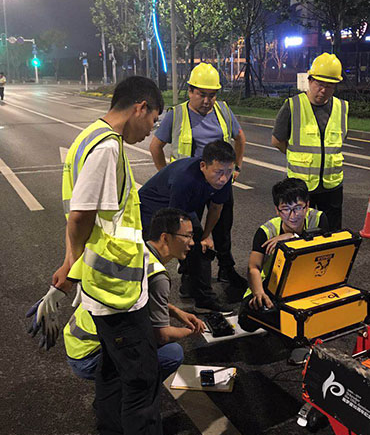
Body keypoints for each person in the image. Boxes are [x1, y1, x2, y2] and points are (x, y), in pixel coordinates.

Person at [35, 76, 204, 435]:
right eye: (154, 120)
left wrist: (73, 264)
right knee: (142, 384)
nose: (151, 132)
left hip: (104, 288)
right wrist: (70, 265)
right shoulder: (108, 147)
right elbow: (81, 215)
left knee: (112, 373)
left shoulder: (87, 138)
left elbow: (84, 217)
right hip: (115, 294)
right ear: (140, 107)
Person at [64, 208, 206, 383]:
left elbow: (138, 299)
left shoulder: (135, 252)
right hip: (92, 357)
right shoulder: (158, 277)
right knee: (172, 353)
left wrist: (176, 312)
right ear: (165, 238)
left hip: (77, 345)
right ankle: (133, 388)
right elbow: (161, 335)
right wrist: (190, 331)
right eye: (187, 236)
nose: (192, 243)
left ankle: (117, 387)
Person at [150, 62, 246, 288]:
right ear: (190, 91)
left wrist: (237, 168)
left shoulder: (223, 111)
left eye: (212, 95)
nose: (207, 101)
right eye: (202, 94)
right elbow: (155, 147)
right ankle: (189, 276)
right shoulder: (177, 114)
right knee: (188, 232)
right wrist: (168, 176)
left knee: (223, 228)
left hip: (219, 182)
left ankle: (226, 268)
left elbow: (240, 138)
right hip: (190, 186)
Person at [139, 140, 236, 316]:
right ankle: (142, 300)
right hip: (151, 210)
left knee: (200, 247)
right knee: (153, 253)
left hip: (182, 208)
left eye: (229, 172)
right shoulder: (185, 179)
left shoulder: (224, 178)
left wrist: (205, 236)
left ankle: (198, 295)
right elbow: (175, 221)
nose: (223, 178)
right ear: (203, 166)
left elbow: (216, 208)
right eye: (218, 172)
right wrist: (188, 243)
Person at [238, 177, 328, 364]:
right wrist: (259, 293)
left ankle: (298, 340)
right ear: (277, 209)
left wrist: (292, 236)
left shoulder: (318, 218)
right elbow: (253, 267)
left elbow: (326, 247)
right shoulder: (266, 231)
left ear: (307, 205)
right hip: (273, 285)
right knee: (248, 319)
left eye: (298, 208)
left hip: (307, 282)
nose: (292, 215)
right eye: (285, 209)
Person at [271, 53, 348, 231]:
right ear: (310, 80)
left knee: (332, 233)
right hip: (301, 187)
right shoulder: (293, 106)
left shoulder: (341, 107)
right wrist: (297, 154)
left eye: (330, 86)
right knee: (302, 234)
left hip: (332, 185)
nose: (324, 90)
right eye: (320, 84)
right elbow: (277, 141)